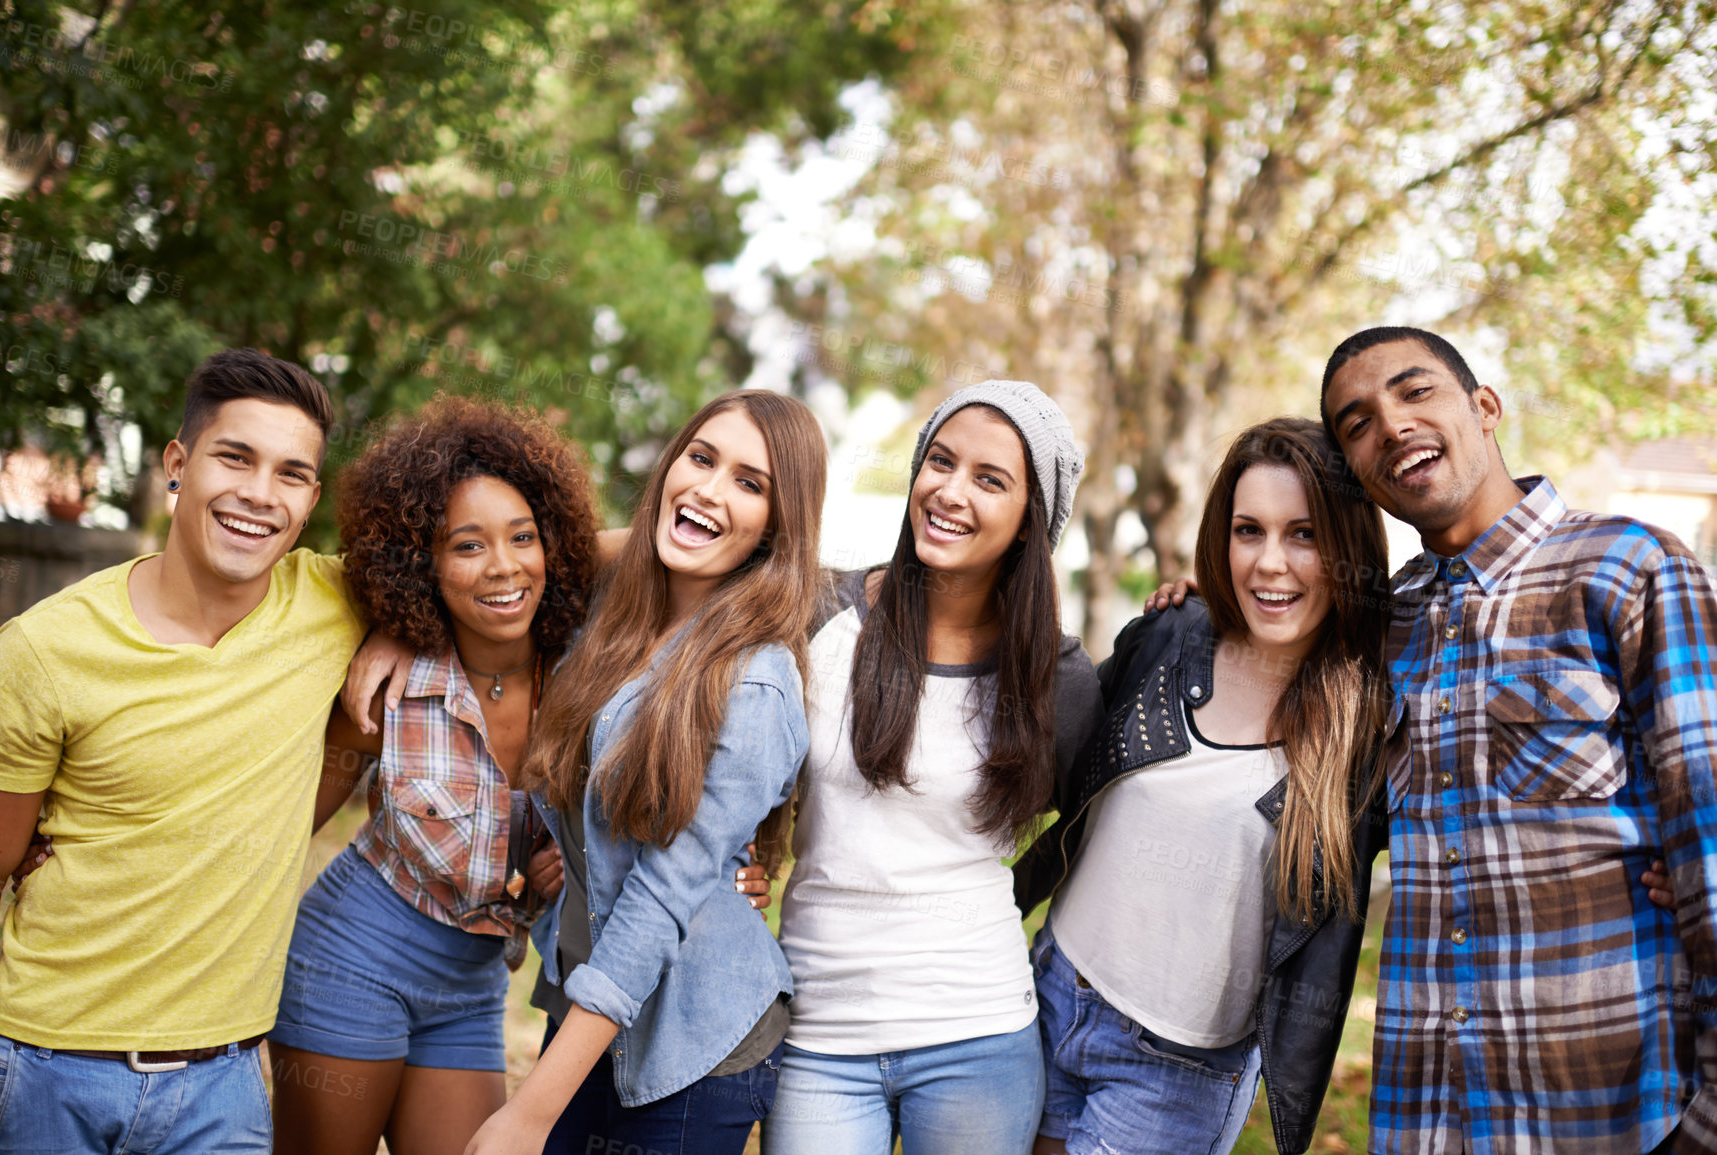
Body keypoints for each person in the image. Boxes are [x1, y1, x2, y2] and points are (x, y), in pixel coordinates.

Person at [1317, 326, 1717, 1155]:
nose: (1389, 425)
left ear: (1485, 406)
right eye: (1355, 424)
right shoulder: (1382, 625)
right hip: (1432, 1112)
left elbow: (1709, 842)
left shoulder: (1627, 568)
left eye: (1413, 390)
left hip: (1617, 1112)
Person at [0, 349, 363, 1152]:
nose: (260, 494)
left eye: (291, 474)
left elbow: (523, 558)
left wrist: (694, 541)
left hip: (223, 1086)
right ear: (178, 464)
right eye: (235, 457)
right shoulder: (44, 650)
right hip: (45, 1068)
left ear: (311, 499)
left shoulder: (334, 604)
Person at [458, 389, 828, 1155]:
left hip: (692, 1044)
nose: (709, 488)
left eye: (749, 483)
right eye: (699, 458)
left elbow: (658, 900)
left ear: (777, 525)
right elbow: (512, 557)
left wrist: (528, 1112)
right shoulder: (610, 622)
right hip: (590, 1012)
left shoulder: (755, 682)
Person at [1013, 417, 1390, 1155]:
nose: (1269, 563)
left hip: (1177, 1069)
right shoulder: (1169, 633)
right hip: (1052, 989)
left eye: (1304, 534)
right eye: (1248, 530)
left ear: (1346, 546)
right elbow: (1059, 761)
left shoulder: (1371, 721)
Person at [760, 380, 1103, 1155]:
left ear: (1028, 523)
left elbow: (1094, 828)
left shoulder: (1056, 676)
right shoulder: (818, 613)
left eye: (990, 479)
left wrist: (1015, 895)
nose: (950, 491)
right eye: (939, 462)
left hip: (978, 1033)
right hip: (819, 1029)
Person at [266, 397, 600, 1155]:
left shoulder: (586, 675)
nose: (504, 566)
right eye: (467, 546)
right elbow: (286, 828)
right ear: (425, 564)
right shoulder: (388, 686)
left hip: (474, 981)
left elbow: (656, 553)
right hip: (353, 956)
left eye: (523, 537)